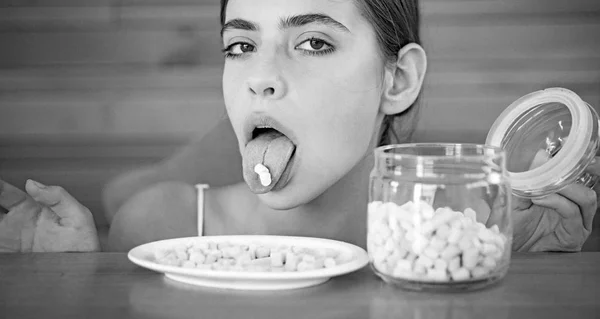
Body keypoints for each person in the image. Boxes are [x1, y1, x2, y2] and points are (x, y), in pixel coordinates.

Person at [0, 0, 598, 253]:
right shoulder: (158, 226)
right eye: (240, 45)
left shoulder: (460, 245)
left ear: (396, 81)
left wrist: (514, 271)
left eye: (312, 42)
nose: (260, 77)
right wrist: (71, 284)